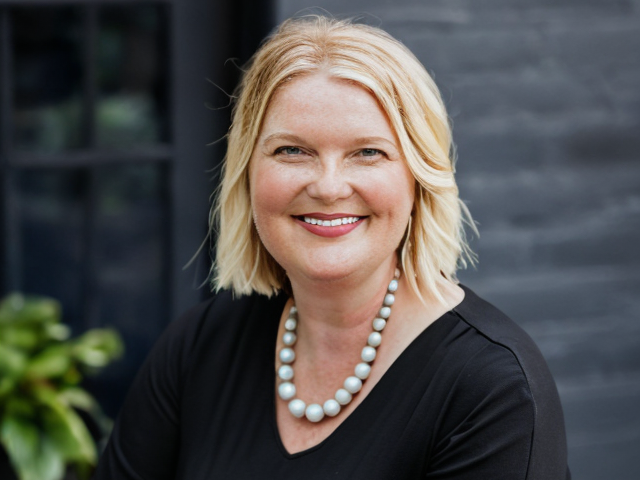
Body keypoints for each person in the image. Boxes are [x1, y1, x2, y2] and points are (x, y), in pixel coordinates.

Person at [94, 16, 570, 479]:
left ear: (418, 178)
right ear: (248, 171)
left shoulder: (492, 390)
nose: (328, 186)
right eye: (292, 151)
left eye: (368, 152)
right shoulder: (200, 348)